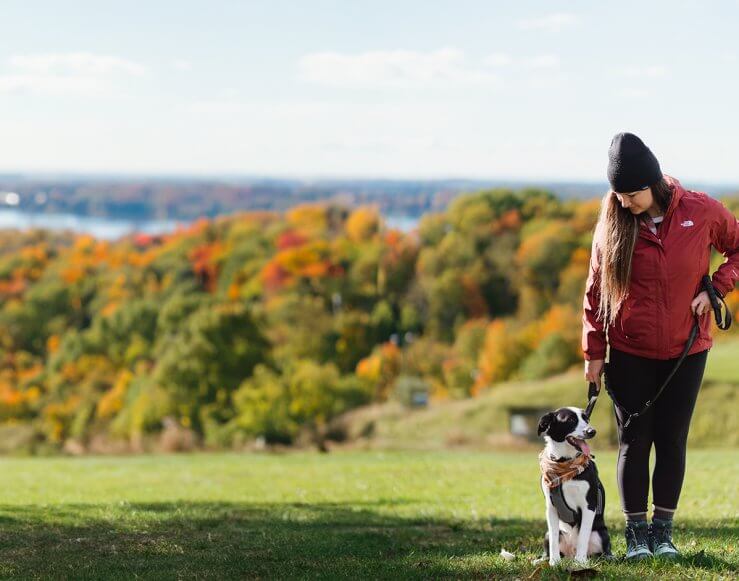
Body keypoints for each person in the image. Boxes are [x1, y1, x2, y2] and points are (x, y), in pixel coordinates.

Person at [581, 132, 738, 560]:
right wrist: (594, 353)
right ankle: (636, 537)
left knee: (672, 440)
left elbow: (737, 249)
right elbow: (595, 293)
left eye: (632, 194)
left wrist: (716, 289)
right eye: (618, 194)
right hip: (629, 352)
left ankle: (662, 532)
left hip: (687, 351)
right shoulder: (612, 222)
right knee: (634, 441)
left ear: (653, 183)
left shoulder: (702, 210)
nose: (625, 202)